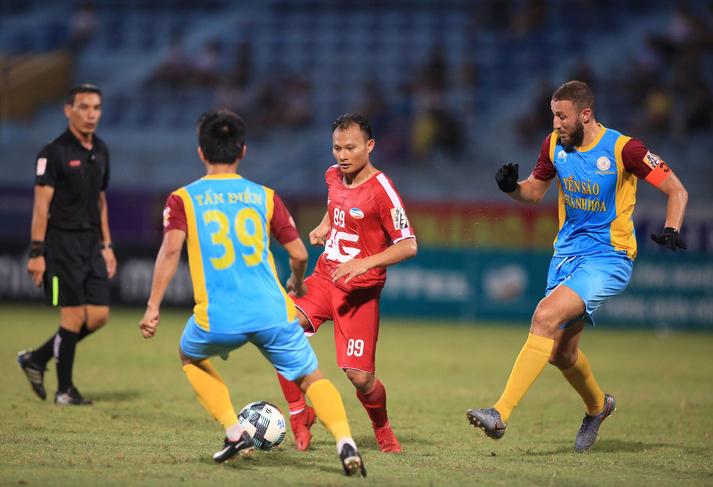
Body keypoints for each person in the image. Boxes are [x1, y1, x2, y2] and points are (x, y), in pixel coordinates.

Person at [137, 109, 366, 476]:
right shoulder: (264, 197)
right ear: (242, 151)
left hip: (218, 317)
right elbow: (299, 253)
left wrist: (152, 307)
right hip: (272, 311)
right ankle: (344, 441)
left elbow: (169, 251)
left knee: (190, 356)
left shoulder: (183, 199)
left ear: (201, 152)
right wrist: (298, 281)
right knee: (312, 378)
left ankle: (233, 430)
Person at [467, 80, 688, 452]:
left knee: (543, 317)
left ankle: (500, 414)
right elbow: (533, 194)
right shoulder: (554, 145)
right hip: (566, 256)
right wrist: (510, 187)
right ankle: (598, 407)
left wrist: (671, 227)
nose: (555, 124)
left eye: (562, 116)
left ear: (586, 114)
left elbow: (677, 191)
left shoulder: (624, 149)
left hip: (609, 257)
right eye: (553, 115)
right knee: (560, 354)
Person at [277, 113, 418, 453]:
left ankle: (382, 429)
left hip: (360, 291)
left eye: (350, 148)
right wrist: (327, 225)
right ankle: (300, 416)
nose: (342, 155)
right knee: (279, 330)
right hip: (324, 279)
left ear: (369, 146)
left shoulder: (383, 190)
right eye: (337, 148)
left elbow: (409, 244)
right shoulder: (333, 176)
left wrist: (363, 262)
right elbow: (336, 203)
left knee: (360, 377)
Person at [17, 83, 117, 405]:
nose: (91, 114)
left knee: (99, 315)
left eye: (97, 108)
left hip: (91, 245)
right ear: (68, 110)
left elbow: (100, 200)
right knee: (72, 318)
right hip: (61, 246)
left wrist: (107, 245)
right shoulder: (53, 153)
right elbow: (40, 208)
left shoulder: (100, 150)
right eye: (84, 107)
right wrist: (36, 253)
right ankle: (65, 391)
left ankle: (36, 359)